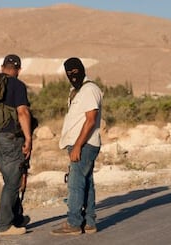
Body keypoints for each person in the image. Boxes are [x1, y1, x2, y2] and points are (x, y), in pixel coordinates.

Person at [51, 57, 103, 236]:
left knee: (75, 184)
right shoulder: (76, 91)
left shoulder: (89, 89)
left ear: (82, 69)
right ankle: (89, 222)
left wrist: (78, 146)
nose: (72, 75)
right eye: (68, 73)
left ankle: (73, 223)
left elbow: (90, 120)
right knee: (86, 182)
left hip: (84, 144)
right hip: (79, 143)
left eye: (75, 72)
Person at [0, 54, 32, 236]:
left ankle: (17, 218)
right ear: (18, 70)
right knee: (14, 180)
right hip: (9, 138)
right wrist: (28, 138)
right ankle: (4, 225)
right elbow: (22, 112)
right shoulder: (17, 85)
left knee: (10, 178)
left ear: (2, 67)